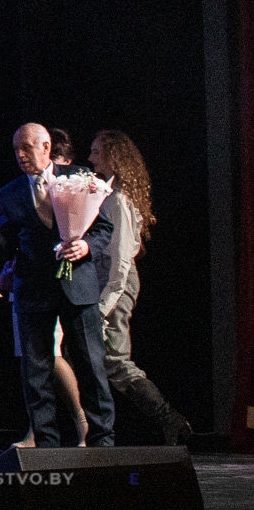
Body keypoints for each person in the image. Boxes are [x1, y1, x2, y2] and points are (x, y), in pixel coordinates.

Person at [0, 123, 115, 447]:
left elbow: (103, 229)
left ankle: (102, 440)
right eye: (16, 149)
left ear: (46, 147)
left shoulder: (80, 177)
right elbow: (7, 244)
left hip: (78, 286)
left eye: (26, 148)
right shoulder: (9, 193)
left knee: (91, 365)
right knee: (36, 370)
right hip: (34, 288)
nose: (20, 155)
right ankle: (46, 442)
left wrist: (86, 245)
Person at [89, 130, 191, 444]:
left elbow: (120, 262)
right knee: (93, 357)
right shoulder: (108, 194)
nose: (91, 159)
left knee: (115, 361)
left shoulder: (118, 201)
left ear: (113, 157)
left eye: (96, 152)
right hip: (103, 278)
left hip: (115, 283)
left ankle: (170, 419)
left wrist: (104, 306)